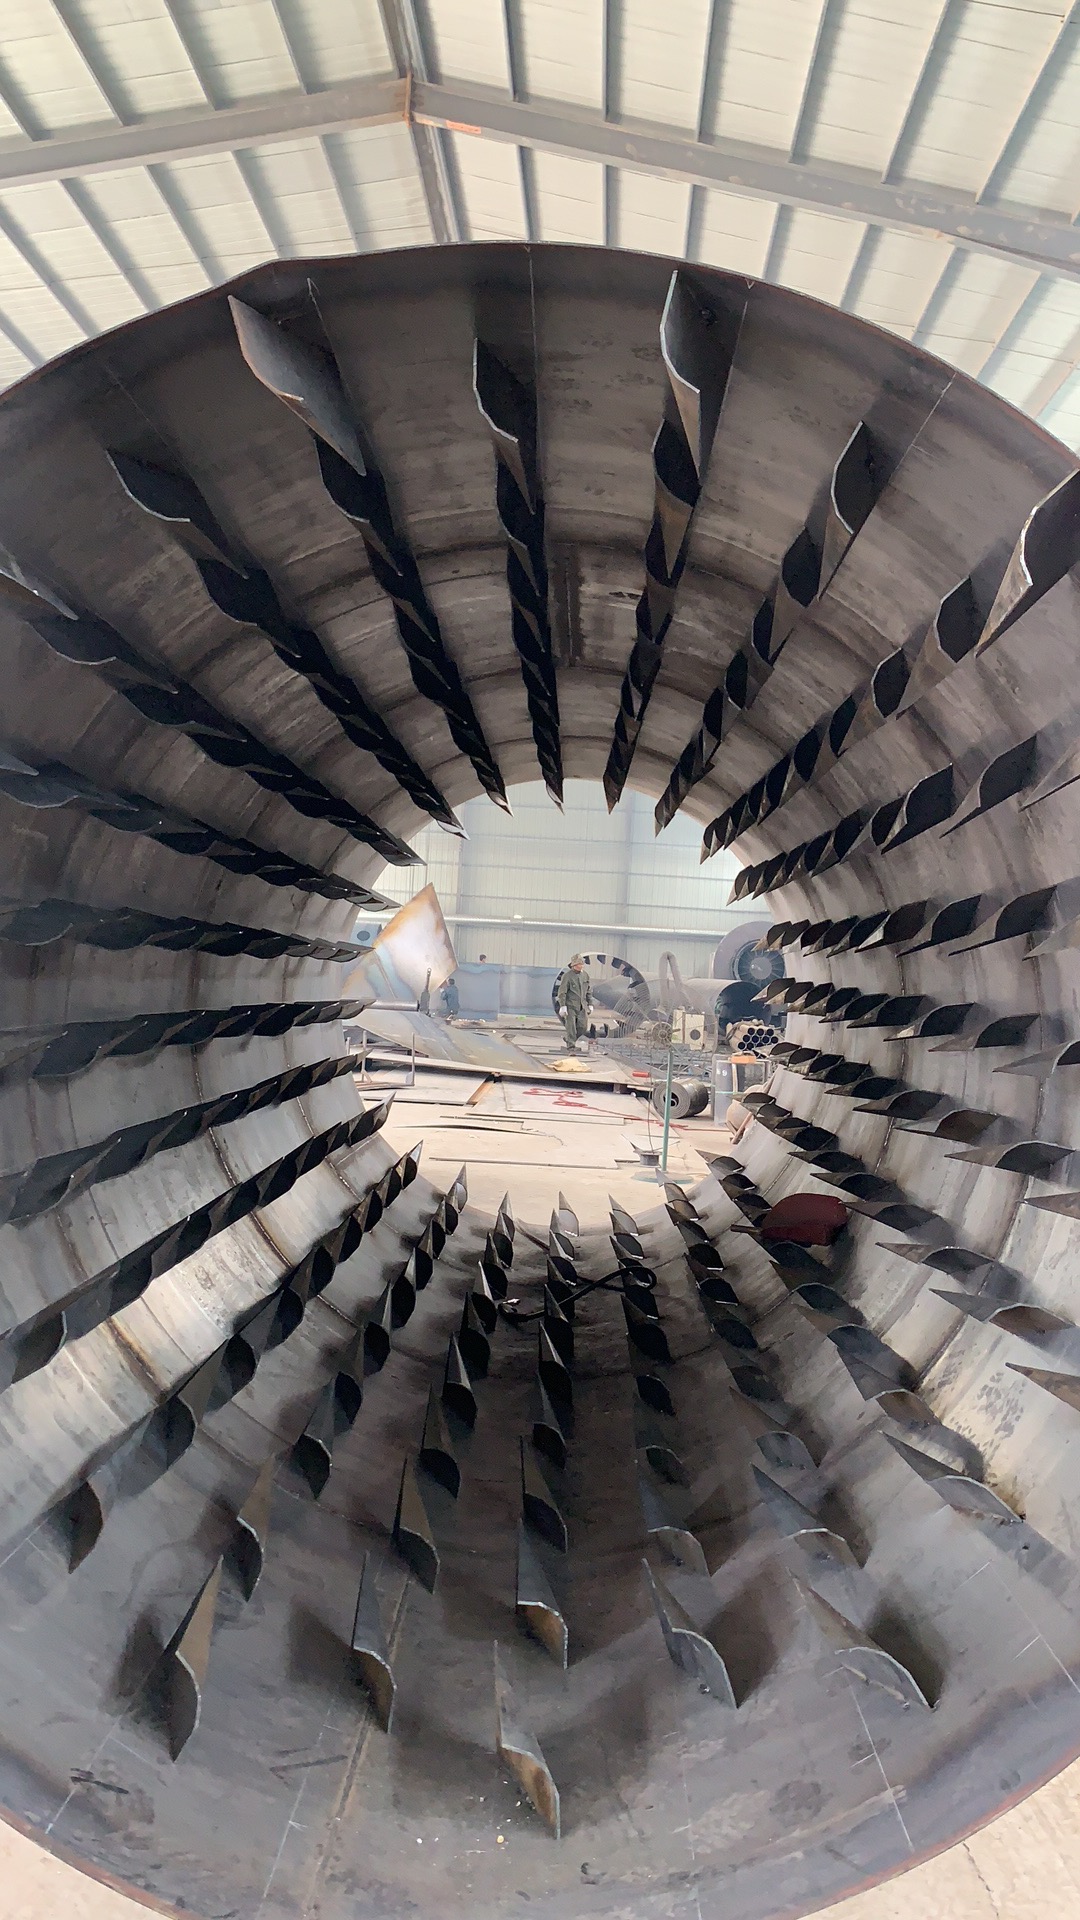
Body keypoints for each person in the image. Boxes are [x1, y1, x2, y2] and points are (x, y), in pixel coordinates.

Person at [555, 953, 592, 1053]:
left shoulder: (585, 975)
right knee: (571, 1027)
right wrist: (563, 1006)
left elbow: (588, 990)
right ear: (574, 965)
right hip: (570, 1005)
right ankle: (571, 1047)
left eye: (582, 964)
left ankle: (569, 1039)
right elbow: (562, 992)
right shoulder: (567, 976)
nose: (581, 966)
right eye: (579, 964)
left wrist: (590, 1003)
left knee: (583, 1027)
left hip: (582, 1006)